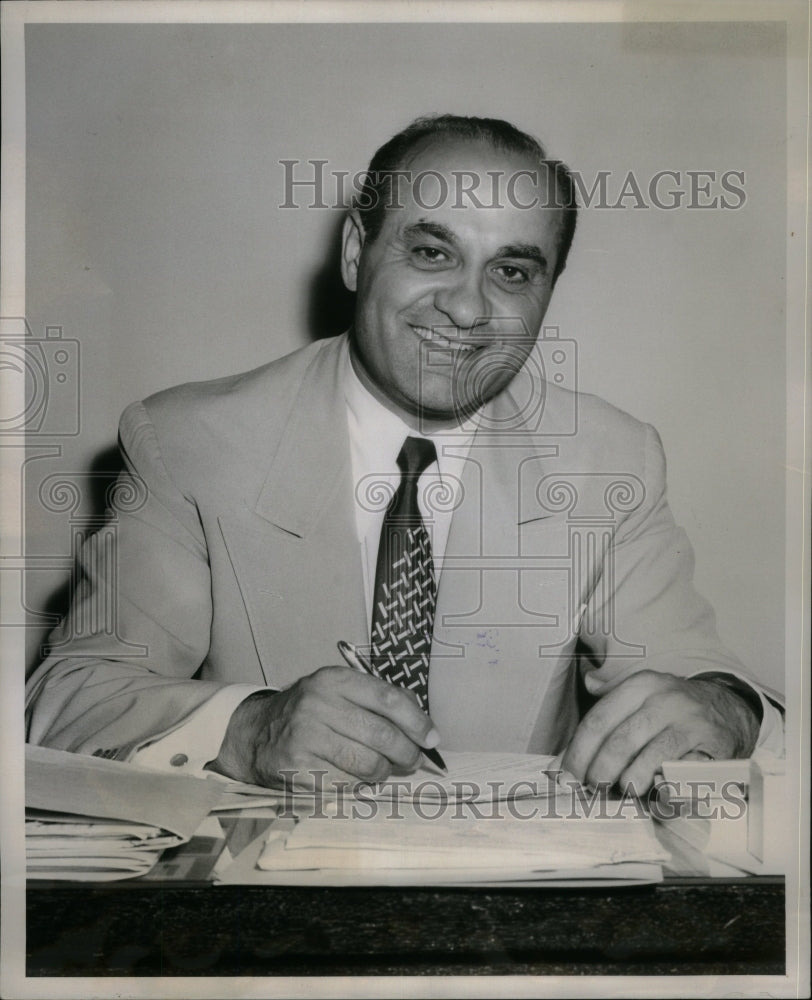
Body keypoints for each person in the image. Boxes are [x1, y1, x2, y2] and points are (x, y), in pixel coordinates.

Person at [25, 115, 783, 794]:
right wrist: (249, 728)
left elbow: (708, 681)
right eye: (431, 252)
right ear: (357, 253)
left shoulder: (611, 459)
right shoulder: (186, 441)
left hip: (513, 906)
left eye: (512, 272)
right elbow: (72, 695)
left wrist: (721, 709)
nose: (467, 307)